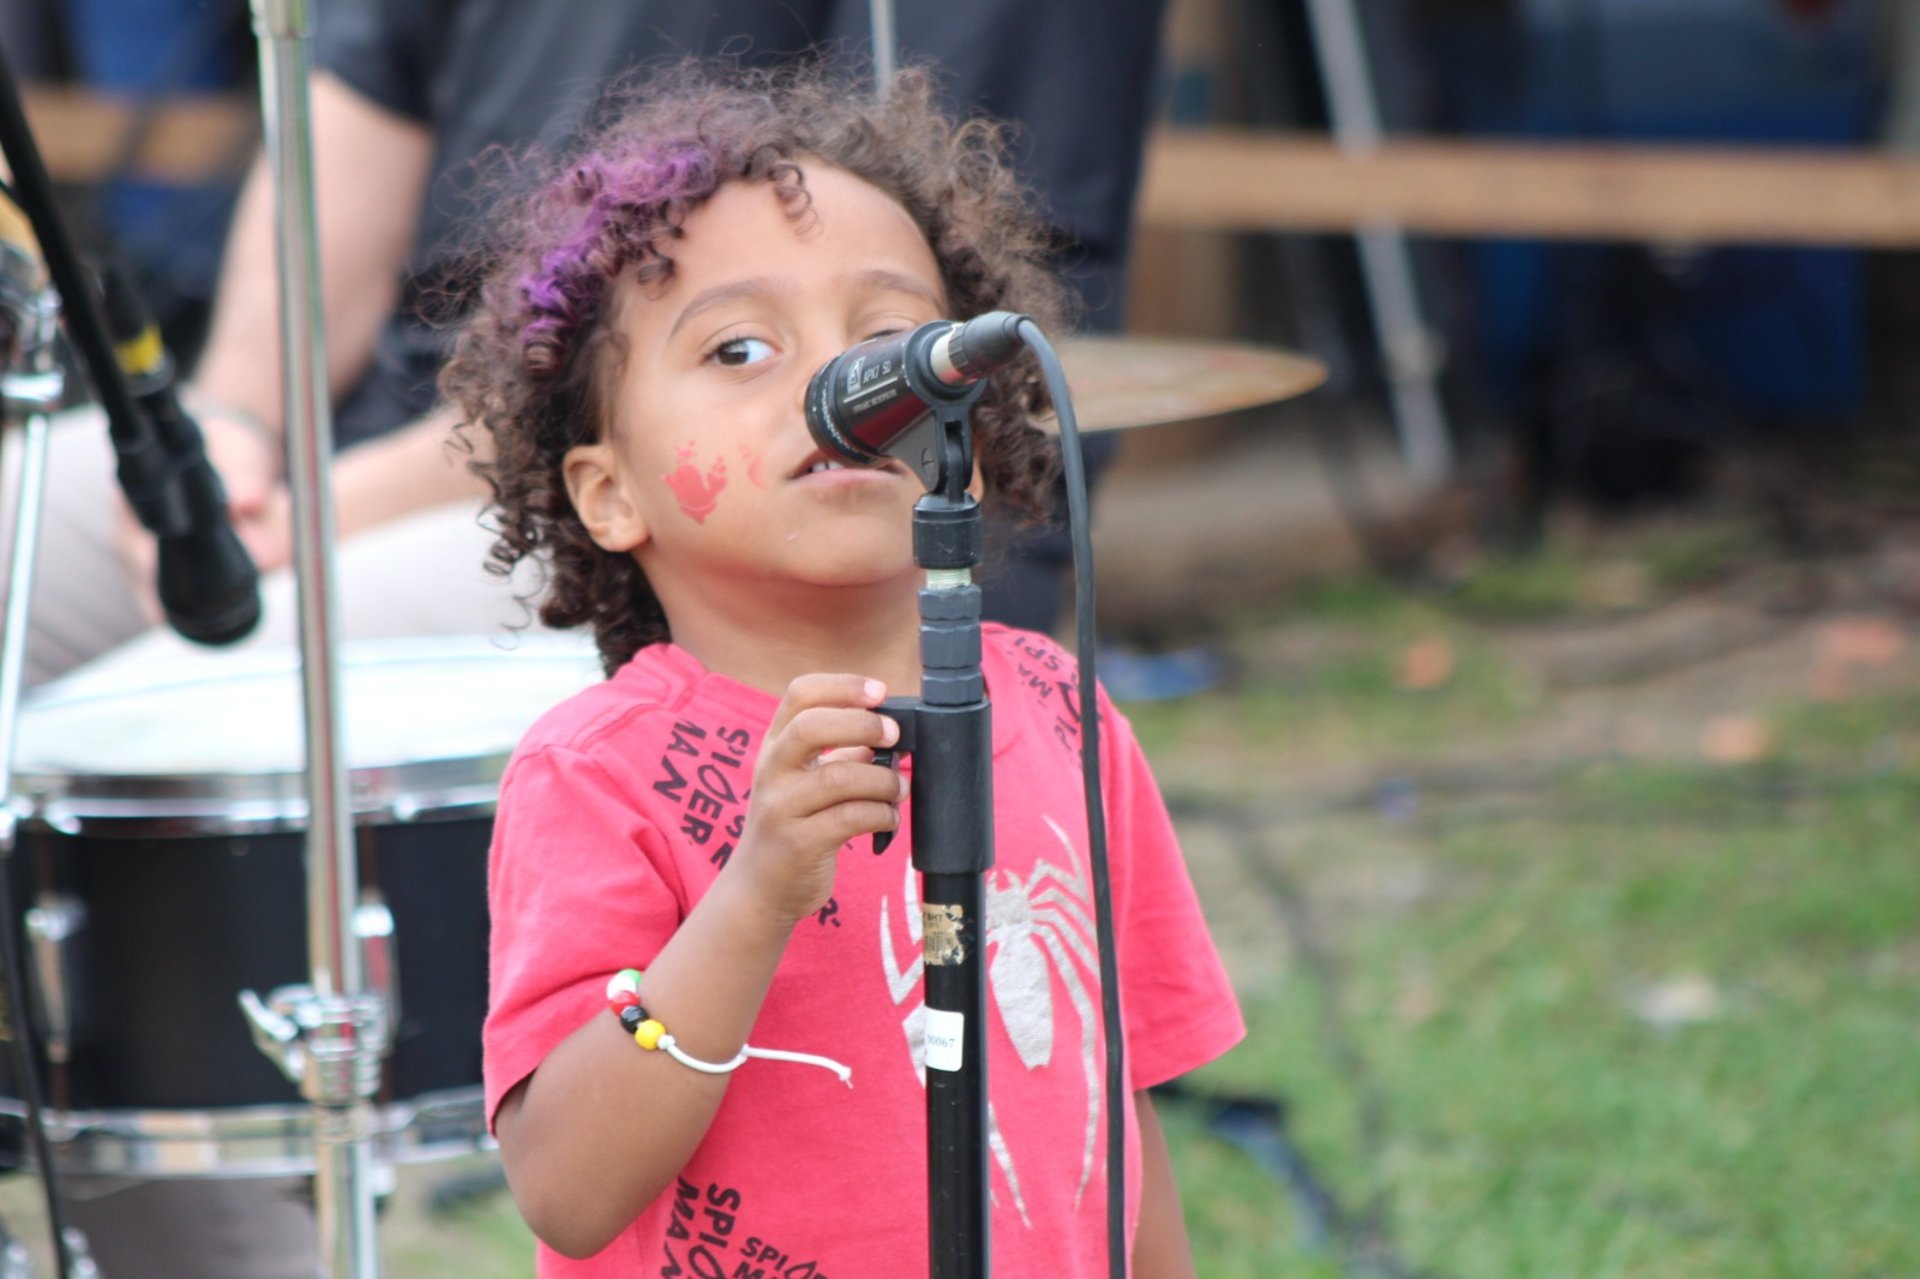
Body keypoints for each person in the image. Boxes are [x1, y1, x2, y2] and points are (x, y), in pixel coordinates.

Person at [454, 61, 1243, 1276]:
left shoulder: (1055, 709)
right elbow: (565, 1186)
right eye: (741, 348)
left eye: (890, 340)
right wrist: (758, 887)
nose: (845, 392)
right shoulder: (592, 776)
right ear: (611, 493)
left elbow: (1117, 1095)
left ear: (967, 439)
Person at [8, 0, 1164, 688]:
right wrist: (230, 426)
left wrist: (302, 515)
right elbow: (352, 105)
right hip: (351, 464)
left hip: (650, 491)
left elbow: (863, 302)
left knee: (174, 703)